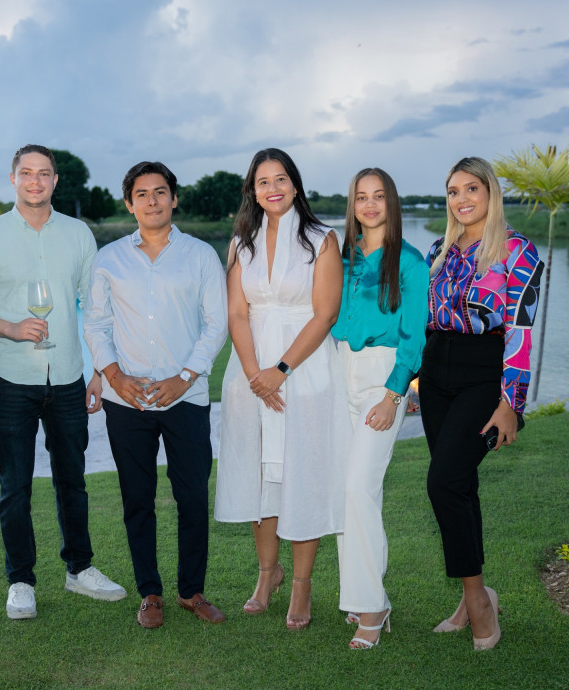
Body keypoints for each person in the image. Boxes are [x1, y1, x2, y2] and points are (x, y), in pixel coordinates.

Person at [0, 145, 125, 620]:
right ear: (13, 179)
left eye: (44, 174)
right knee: (15, 485)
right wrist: (12, 328)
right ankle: (20, 580)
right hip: (11, 377)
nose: (35, 181)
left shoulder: (77, 234)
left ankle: (79, 569)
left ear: (55, 181)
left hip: (70, 376)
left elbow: (97, 309)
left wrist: (99, 370)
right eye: (26, 173)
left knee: (73, 479)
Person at [84, 161, 228, 629]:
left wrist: (184, 377)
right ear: (130, 204)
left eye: (160, 192)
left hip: (185, 396)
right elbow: (97, 324)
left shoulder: (201, 255)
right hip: (127, 400)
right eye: (142, 194)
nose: (152, 201)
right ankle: (150, 592)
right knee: (137, 498)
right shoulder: (109, 259)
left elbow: (216, 325)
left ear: (174, 198)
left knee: (191, 496)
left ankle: (191, 591)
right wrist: (113, 376)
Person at [215, 148, 350, 630]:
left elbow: (325, 314)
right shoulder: (240, 243)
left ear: (295, 184)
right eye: (262, 182)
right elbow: (236, 313)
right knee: (260, 478)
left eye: (280, 179)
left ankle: (301, 586)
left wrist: (280, 370)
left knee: (302, 476)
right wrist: (255, 374)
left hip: (305, 372)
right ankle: (267, 575)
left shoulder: (321, 239)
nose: (272, 188)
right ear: (252, 190)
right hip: (249, 376)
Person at [420, 156, 543, 650]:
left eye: (472, 188)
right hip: (435, 374)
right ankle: (474, 592)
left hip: (483, 376)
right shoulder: (439, 249)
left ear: (490, 193)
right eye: (453, 191)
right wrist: (410, 384)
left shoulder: (518, 251)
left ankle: (477, 600)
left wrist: (511, 403)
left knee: (443, 481)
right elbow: (429, 322)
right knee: (459, 484)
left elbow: (521, 332)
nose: (462, 199)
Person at [331, 168, 429, 649]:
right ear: (352, 204)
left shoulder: (409, 262)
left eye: (378, 196)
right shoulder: (343, 256)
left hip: (381, 379)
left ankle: (374, 603)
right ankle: (356, 595)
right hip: (338, 373)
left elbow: (416, 337)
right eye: (360, 197)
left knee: (359, 486)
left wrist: (396, 396)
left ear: (391, 202)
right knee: (345, 491)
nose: (369, 205)